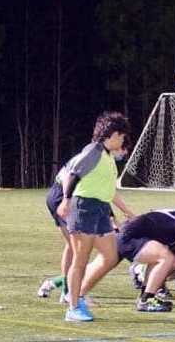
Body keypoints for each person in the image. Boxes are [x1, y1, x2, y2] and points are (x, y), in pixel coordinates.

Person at [56, 111, 131, 322]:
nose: (123, 140)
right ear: (113, 134)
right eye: (122, 135)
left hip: (99, 210)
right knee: (80, 260)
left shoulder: (106, 155)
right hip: (84, 208)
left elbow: (106, 188)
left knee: (110, 256)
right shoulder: (93, 151)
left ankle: (77, 294)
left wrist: (121, 212)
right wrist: (66, 200)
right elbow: (72, 174)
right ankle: (72, 307)